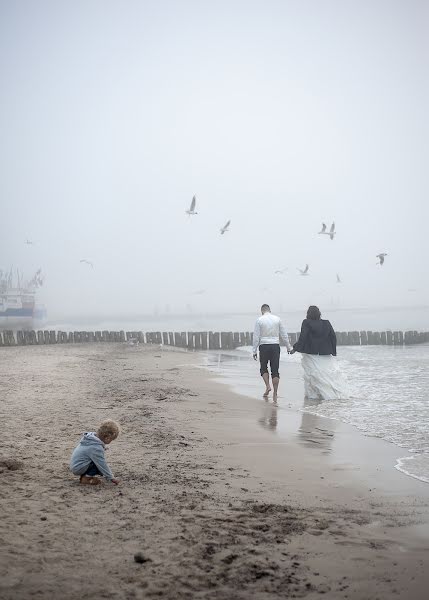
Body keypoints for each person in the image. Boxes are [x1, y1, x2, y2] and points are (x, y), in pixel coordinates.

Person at [290, 305, 345, 400]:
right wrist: (333, 351)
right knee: (327, 375)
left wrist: (295, 348)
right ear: (319, 313)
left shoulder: (306, 322)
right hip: (326, 354)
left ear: (308, 314)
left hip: (311, 353)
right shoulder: (326, 323)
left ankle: (314, 396)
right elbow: (333, 337)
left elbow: (303, 337)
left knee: (313, 374)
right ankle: (333, 395)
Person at [252, 304, 292, 401]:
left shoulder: (259, 320)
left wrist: (254, 350)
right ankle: (275, 392)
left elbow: (256, 337)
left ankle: (267, 386)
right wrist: (288, 347)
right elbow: (284, 334)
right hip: (275, 346)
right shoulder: (277, 319)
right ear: (270, 310)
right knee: (275, 370)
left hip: (264, 346)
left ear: (262, 311)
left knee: (263, 368)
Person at [70, 420, 120, 485]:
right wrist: (112, 478)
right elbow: (102, 464)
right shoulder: (96, 448)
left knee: (96, 461)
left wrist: (102, 448)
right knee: (98, 464)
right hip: (79, 468)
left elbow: (91, 449)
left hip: (76, 465)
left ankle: (85, 475)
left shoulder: (90, 437)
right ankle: (86, 478)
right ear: (107, 438)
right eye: (111, 439)